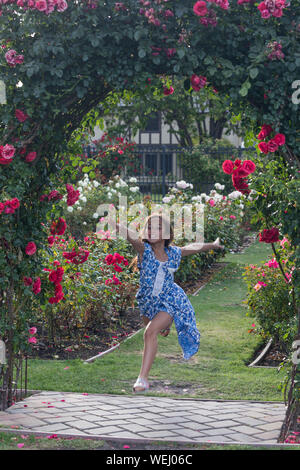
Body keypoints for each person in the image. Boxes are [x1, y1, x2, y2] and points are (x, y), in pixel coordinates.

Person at [115, 212, 224, 392]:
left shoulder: (174, 253)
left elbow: (194, 247)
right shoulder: (145, 251)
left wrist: (213, 245)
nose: (152, 230)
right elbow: (133, 239)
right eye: (149, 227)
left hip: (170, 300)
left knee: (149, 333)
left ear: (167, 234)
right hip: (148, 302)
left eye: (158, 227)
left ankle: (142, 378)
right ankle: (163, 326)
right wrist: (119, 227)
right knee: (150, 327)